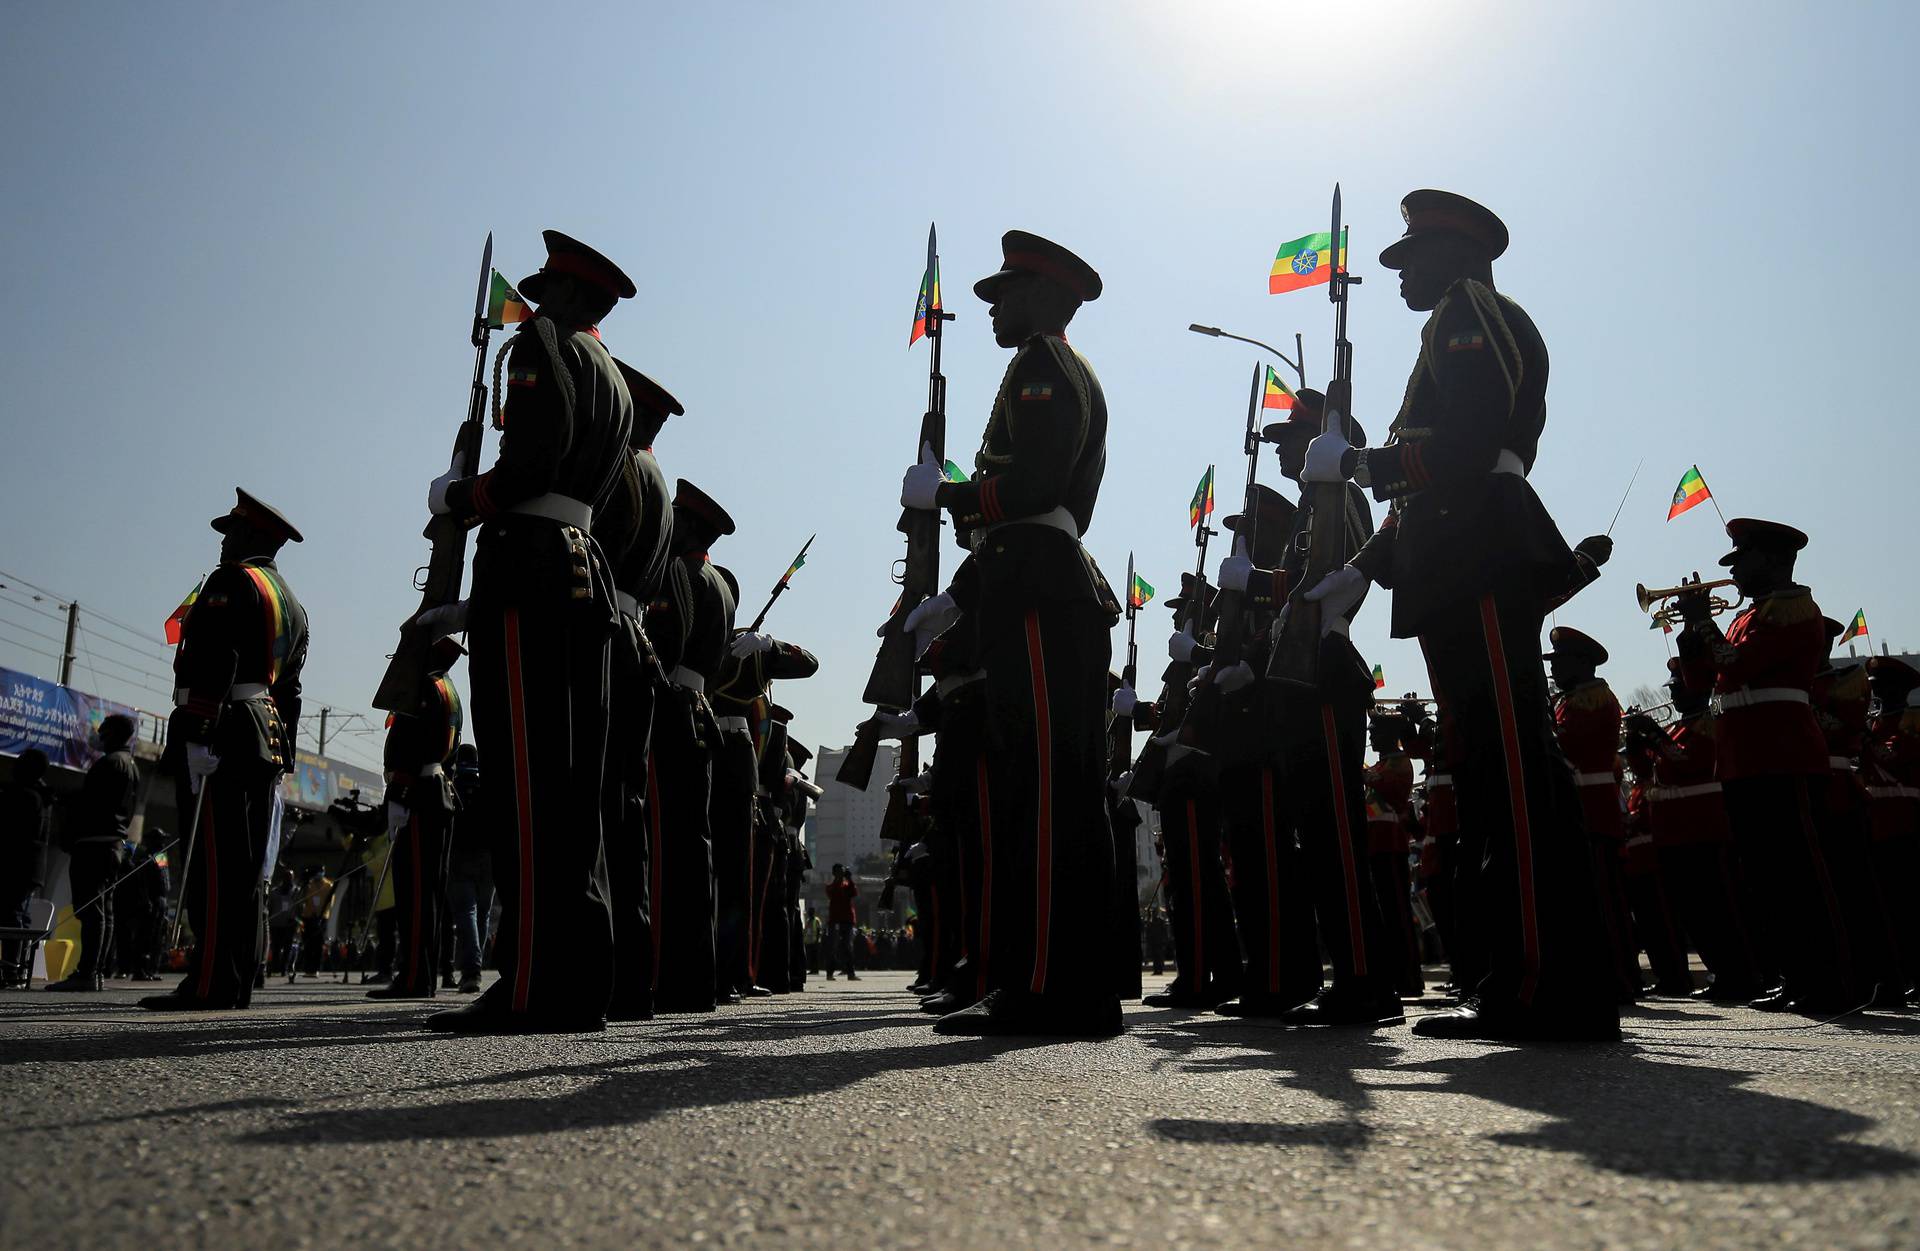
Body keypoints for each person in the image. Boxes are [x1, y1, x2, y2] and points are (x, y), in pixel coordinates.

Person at [1296, 190, 1619, 1042]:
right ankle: (1516, 972)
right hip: (1455, 546)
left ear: (1460, 257)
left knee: (1508, 766)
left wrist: (1358, 459)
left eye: (1415, 259)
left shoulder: (1466, 311)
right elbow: (1429, 483)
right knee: (1489, 767)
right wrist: (1363, 570)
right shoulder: (1451, 319)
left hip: (1478, 545)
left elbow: (1468, 451)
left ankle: (1539, 980)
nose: (1402, 275)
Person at [420, 230, 635, 1034]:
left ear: (572, 299)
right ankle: (579, 979)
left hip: (531, 566)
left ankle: (532, 984)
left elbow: (529, 467)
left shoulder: (540, 344)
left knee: (527, 785)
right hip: (581, 570)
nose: (534, 301)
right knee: (572, 792)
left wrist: (460, 500)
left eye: (548, 289)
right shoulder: (610, 371)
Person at [1675, 519, 1867, 1014]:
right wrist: (1689, 635)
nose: (1734, 570)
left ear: (1775, 560)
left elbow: (1737, 665)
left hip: (1782, 753)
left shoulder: (1794, 608)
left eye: (1742, 559)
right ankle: (1798, 976)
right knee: (1767, 879)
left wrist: (1702, 624)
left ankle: (1834, 982)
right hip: (1743, 759)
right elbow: (1702, 682)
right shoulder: (1749, 615)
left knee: (1801, 874)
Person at [143, 490, 308, 1012]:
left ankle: (210, 981)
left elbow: (215, 657)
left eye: (232, 531)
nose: (224, 540)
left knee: (215, 864)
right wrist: (285, 756)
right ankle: (234, 979)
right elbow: (291, 690)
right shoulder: (291, 600)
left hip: (222, 729)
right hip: (262, 735)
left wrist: (197, 730)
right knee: (243, 867)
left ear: (253, 536)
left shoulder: (232, 581)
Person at [595, 359, 680, 1021]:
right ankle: (631, 973)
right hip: (636, 640)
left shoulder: (616, 467)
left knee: (591, 805)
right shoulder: (657, 483)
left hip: (600, 630)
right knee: (626, 814)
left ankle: (600, 966)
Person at [647, 480, 736, 1013]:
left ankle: (665, 973)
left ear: (690, 527)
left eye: (677, 518)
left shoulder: (680, 573)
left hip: (674, 708)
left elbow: (665, 645)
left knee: (666, 848)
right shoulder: (723, 584)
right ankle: (696, 977)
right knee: (693, 849)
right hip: (699, 712)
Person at [1543, 627, 1642, 1002]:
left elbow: (1564, 742)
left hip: (1593, 804)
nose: (1554, 670)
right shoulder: (1571, 699)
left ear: (1582, 663)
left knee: (1606, 899)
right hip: (1581, 803)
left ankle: (1619, 976)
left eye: (1560, 662)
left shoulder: (1593, 697)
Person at [369, 636, 463, 1000]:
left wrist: (398, 794)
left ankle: (413, 979)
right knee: (428, 893)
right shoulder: (447, 687)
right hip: (436, 791)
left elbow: (409, 743)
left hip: (419, 796)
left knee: (417, 894)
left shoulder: (423, 686)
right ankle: (419, 974)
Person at [1, 748, 53, 987]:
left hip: (16, 866)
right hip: (30, 868)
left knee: (13, 916)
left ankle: (11, 970)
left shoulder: (25, 795)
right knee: (19, 916)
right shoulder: (41, 795)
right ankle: (15, 969)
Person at [443, 744, 489, 993]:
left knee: (465, 913)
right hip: (489, 857)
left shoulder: (451, 784)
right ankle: (474, 967)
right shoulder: (489, 783)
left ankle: (471, 970)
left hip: (459, 854)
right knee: (482, 914)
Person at [825, 864, 859, 981]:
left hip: (847, 920)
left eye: (842, 872)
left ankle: (851, 973)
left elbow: (854, 893)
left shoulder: (848, 885)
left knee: (848, 947)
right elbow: (832, 893)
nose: (841, 874)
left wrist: (849, 879)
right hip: (834, 919)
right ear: (834, 873)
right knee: (832, 947)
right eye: (838, 872)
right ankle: (830, 973)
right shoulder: (830, 886)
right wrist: (839, 880)